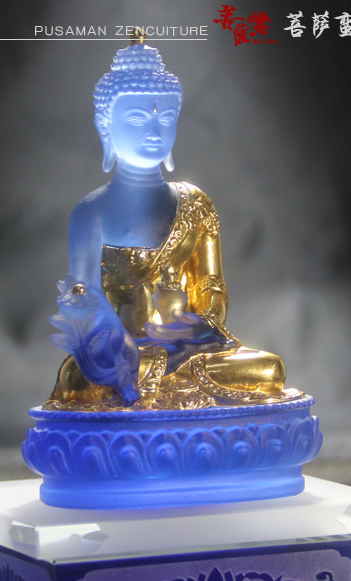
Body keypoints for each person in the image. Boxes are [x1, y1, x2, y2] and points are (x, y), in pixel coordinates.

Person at [47, 36, 290, 410]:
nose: (154, 131)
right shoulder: (90, 212)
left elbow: (210, 284)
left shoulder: (195, 203)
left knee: (268, 370)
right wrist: (115, 342)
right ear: (105, 126)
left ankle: (160, 391)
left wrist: (203, 323)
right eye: (137, 119)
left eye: (165, 119)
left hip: (191, 349)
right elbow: (85, 296)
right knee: (77, 380)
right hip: (121, 352)